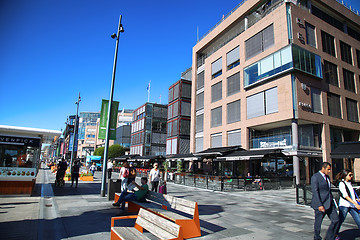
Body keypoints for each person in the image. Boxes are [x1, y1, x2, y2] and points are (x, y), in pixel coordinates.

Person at [311, 162, 339, 240]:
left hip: (329, 203)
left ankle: (329, 237)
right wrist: (320, 205)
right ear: (323, 168)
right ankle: (317, 238)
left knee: (336, 220)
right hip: (320, 204)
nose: (329, 171)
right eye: (328, 169)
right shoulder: (315, 177)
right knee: (318, 223)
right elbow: (315, 191)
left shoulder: (327, 177)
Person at [334, 169, 360, 236]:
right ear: (345, 175)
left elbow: (351, 194)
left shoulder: (349, 183)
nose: (351, 176)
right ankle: (334, 234)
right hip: (344, 205)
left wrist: (356, 199)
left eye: (352, 175)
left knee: (358, 220)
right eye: (350, 175)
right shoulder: (342, 184)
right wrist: (355, 204)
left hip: (351, 205)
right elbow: (345, 196)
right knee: (340, 220)